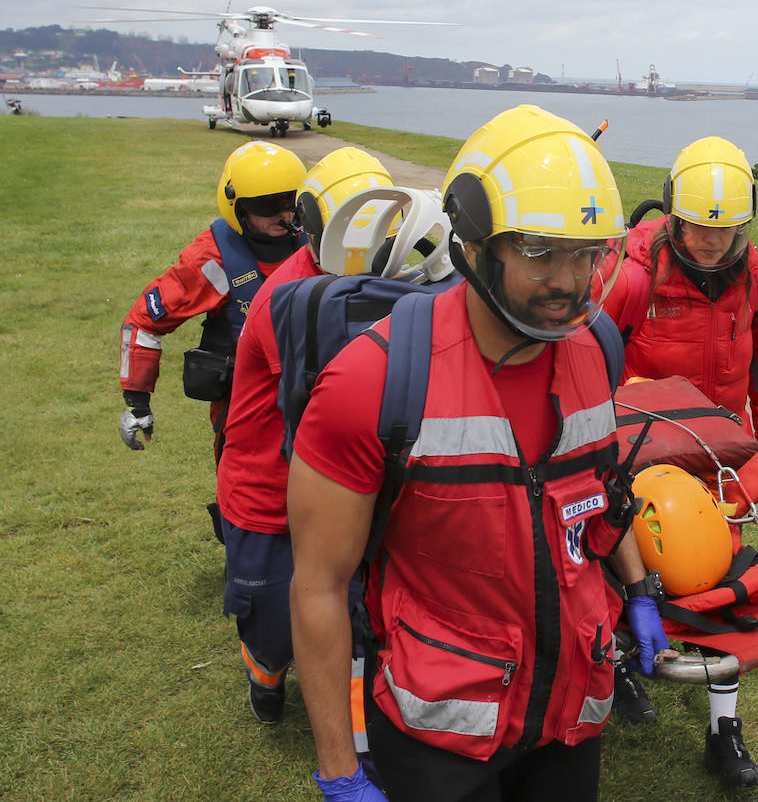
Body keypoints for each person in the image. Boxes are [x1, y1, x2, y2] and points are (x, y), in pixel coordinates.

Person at [287, 104, 671, 802]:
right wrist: (340, 770)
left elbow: (596, 499)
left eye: (588, 254)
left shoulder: (599, 352)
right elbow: (317, 585)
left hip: (571, 714)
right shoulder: (370, 382)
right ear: (474, 240)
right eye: (540, 252)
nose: (569, 280)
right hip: (440, 735)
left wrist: (639, 589)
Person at [599, 136, 758, 787]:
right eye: (700, 226)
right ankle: (621, 666)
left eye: (726, 228)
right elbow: (588, 364)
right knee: (620, 574)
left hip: (719, 465)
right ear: (677, 211)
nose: (711, 241)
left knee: (721, 586)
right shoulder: (630, 274)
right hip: (638, 458)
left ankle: (723, 732)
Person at [215, 147, 396, 724]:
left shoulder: (375, 281)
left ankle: (357, 732)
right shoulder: (284, 303)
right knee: (272, 624)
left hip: (338, 483)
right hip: (268, 490)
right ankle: (264, 674)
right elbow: (326, 407)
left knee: (352, 614)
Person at [118, 140, 306, 458]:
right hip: (247, 418)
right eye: (268, 204)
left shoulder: (319, 241)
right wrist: (137, 402)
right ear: (239, 206)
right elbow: (145, 321)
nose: (285, 213)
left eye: (293, 201)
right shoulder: (213, 259)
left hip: (316, 409)